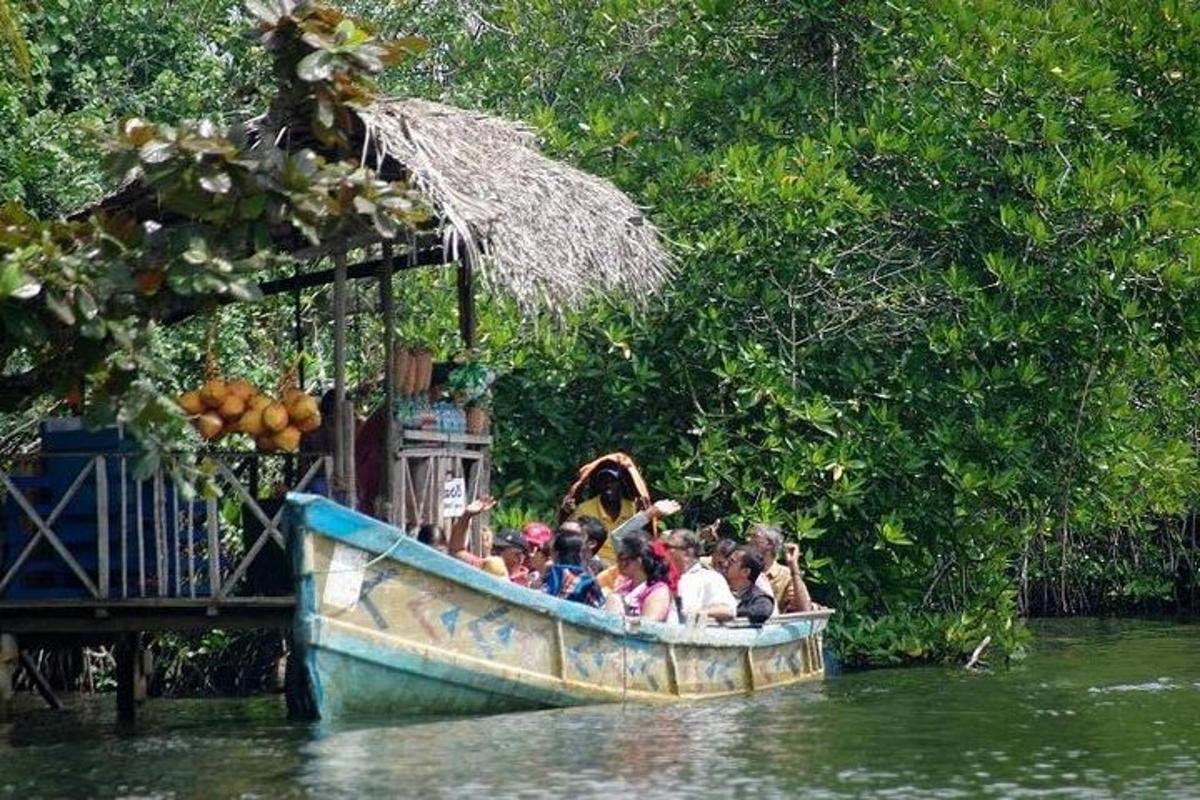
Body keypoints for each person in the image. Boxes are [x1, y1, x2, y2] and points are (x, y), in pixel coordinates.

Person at [447, 496, 533, 586]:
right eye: (495, 547)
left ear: (518, 557)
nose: (494, 551)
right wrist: (466, 516)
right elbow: (456, 551)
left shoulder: (527, 582)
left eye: (500, 549)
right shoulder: (487, 566)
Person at [563, 464, 639, 563]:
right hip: (596, 562)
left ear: (620, 484)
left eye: (612, 481)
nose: (608, 485)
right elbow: (572, 537)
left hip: (625, 563)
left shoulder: (632, 508)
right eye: (604, 481)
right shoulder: (584, 509)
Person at [666, 528, 735, 623]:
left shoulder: (709, 578)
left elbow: (728, 610)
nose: (664, 551)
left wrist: (697, 613)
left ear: (687, 553)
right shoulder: (660, 576)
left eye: (669, 547)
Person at [605, 530, 676, 622]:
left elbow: (648, 627)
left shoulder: (658, 591)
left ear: (639, 561)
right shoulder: (626, 585)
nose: (618, 562)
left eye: (622, 557)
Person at [748, 523, 813, 613]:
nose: (748, 540)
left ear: (769, 544)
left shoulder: (785, 575)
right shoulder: (743, 571)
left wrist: (793, 566)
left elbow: (804, 609)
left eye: (755, 537)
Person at [541, 531, 604, 607]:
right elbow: (599, 604)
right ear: (581, 554)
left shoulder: (551, 572)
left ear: (556, 553)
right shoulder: (589, 579)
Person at [725, 547, 775, 624]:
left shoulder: (760, 599)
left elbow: (762, 612)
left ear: (745, 572)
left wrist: (726, 612)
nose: (725, 564)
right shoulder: (718, 588)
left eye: (731, 562)